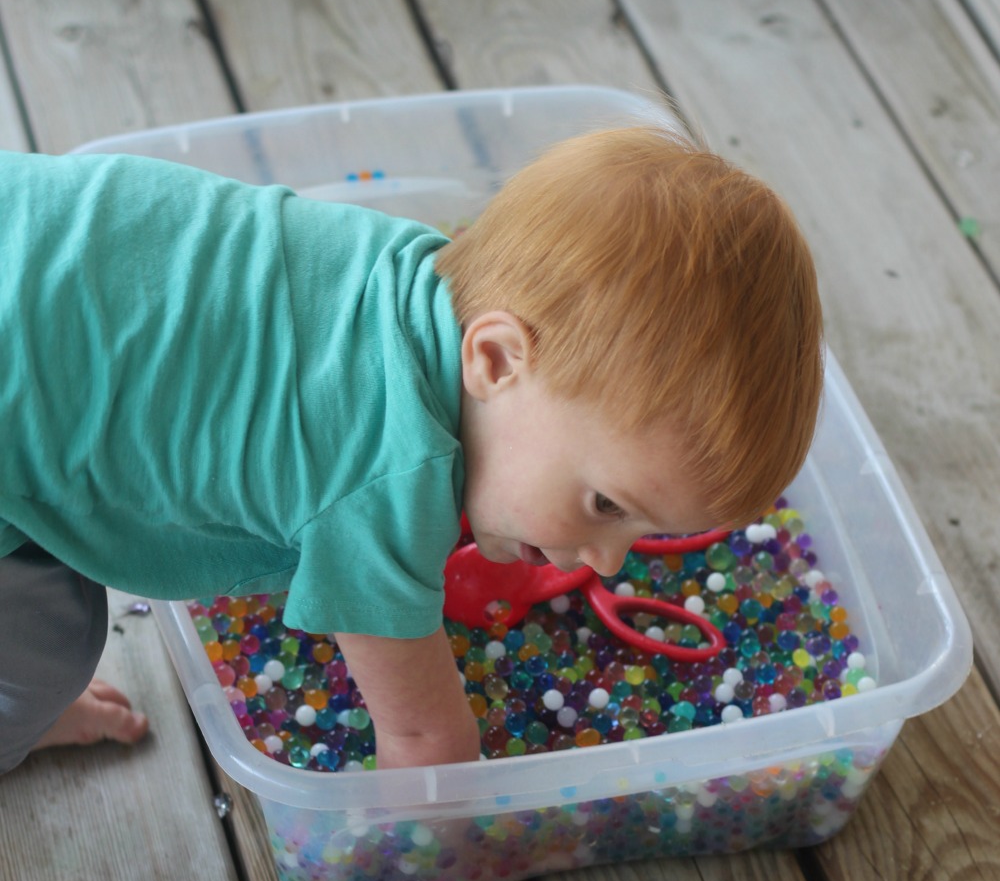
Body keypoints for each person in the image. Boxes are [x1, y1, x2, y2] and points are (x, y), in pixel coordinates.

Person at [0, 122, 823, 776]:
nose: (608, 565)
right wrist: (443, 845)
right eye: (606, 507)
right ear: (495, 360)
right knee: (44, 643)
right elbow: (428, 744)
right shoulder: (389, 478)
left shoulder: (406, 266)